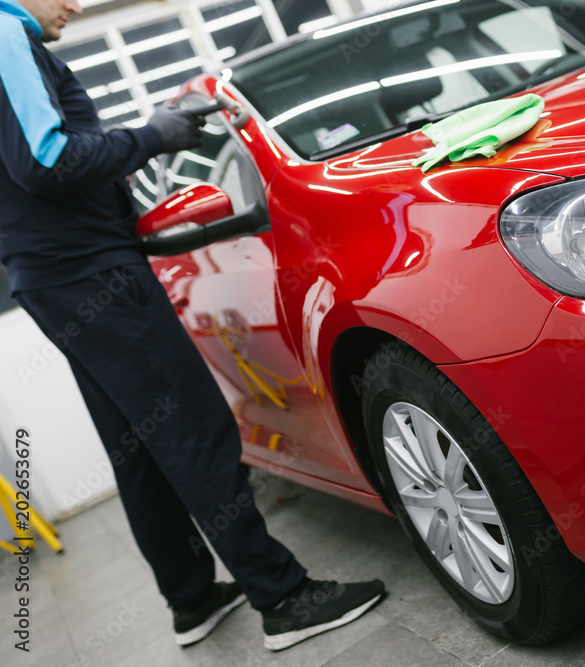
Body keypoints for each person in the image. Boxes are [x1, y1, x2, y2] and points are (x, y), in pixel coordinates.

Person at [0, 0, 385, 652]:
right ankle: (283, 595)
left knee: (139, 443)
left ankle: (191, 596)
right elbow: (48, 161)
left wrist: (134, 149)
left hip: (56, 275)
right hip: (93, 272)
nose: (74, 5)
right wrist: (151, 134)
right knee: (193, 428)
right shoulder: (6, 32)